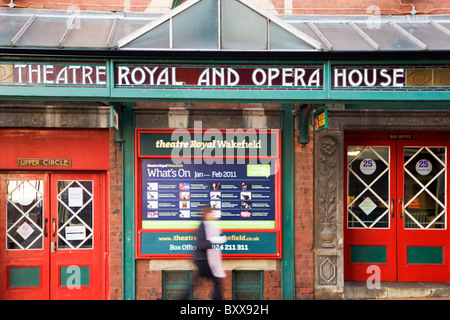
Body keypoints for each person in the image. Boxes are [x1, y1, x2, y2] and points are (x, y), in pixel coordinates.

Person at [181, 205, 227, 300]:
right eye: (211, 213)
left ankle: (182, 298)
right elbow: (200, 244)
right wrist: (214, 240)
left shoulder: (206, 225)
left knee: (195, 284)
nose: (212, 215)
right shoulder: (203, 226)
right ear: (206, 214)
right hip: (203, 260)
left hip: (202, 259)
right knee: (216, 282)